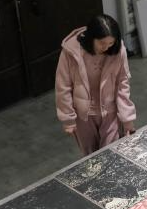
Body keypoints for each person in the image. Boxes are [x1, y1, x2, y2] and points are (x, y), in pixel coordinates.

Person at [55, 14, 136, 156]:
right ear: (91, 37)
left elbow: (122, 84)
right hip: (84, 116)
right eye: (102, 43)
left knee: (112, 154)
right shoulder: (71, 52)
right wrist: (68, 118)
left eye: (111, 43)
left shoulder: (118, 50)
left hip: (110, 111)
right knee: (90, 156)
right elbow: (63, 86)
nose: (107, 47)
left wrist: (127, 119)